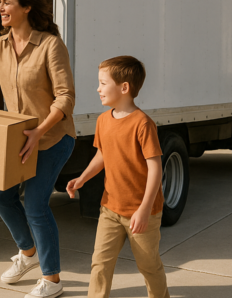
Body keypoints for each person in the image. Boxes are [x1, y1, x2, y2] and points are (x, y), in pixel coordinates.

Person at [0, 0, 76, 298]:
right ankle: (28, 253)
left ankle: (52, 281)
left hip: (52, 137)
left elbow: (65, 98)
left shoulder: (51, 45)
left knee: (36, 204)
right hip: (16, 138)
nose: (0, 8)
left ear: (26, 7)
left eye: (7, 2)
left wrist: (39, 132)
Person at [66, 56, 169, 298]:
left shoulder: (143, 124)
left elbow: (155, 168)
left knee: (148, 265)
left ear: (124, 88)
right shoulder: (103, 120)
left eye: (103, 83)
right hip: (110, 209)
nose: (98, 89)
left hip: (142, 212)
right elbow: (102, 155)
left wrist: (144, 210)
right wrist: (82, 178)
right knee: (100, 263)